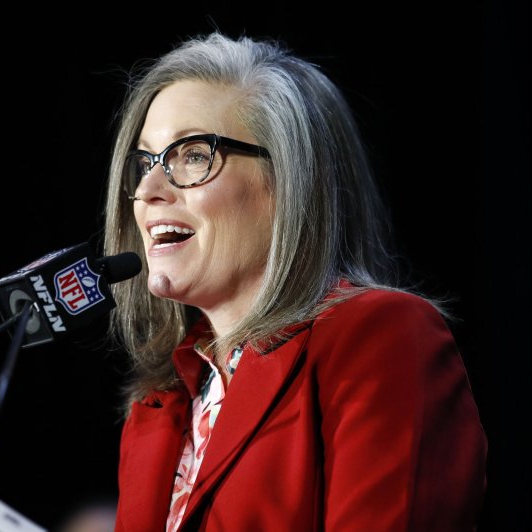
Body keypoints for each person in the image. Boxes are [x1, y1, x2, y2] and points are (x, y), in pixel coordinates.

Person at [100, 32, 488, 531]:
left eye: (192, 155)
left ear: (291, 179)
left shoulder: (382, 336)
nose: (149, 190)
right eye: (144, 163)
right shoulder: (159, 405)